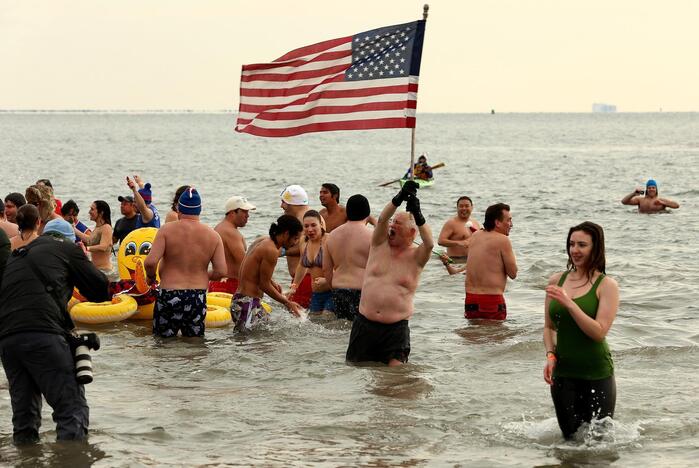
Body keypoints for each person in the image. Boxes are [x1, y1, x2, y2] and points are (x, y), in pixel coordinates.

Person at [0, 218, 109, 444]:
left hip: (8, 340)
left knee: (24, 418)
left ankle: (26, 458)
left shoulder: (19, 255)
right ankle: (70, 459)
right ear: (68, 239)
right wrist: (81, 259)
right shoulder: (67, 248)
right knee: (71, 409)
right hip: (42, 335)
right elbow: (99, 289)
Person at [543, 221, 619, 439]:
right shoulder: (557, 280)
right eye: (571, 244)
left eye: (582, 245)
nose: (575, 250)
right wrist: (550, 354)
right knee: (569, 443)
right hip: (563, 374)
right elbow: (548, 326)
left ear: (595, 248)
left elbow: (599, 332)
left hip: (597, 373)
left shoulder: (606, 286)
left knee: (599, 446)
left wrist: (570, 304)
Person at [346, 181, 433, 365]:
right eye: (393, 222)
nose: (392, 225)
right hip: (365, 325)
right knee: (356, 372)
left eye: (398, 224)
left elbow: (430, 243)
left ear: (411, 232)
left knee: (396, 380)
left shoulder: (417, 257)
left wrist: (418, 214)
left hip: (396, 330)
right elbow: (383, 219)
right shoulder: (379, 244)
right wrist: (399, 197)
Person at [145, 188, 226, 338]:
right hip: (197, 296)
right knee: (194, 344)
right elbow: (221, 271)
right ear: (199, 210)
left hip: (169, 293)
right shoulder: (213, 236)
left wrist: (150, 277)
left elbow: (150, 262)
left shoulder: (166, 230)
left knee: (163, 344)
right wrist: (203, 273)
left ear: (179, 208)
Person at [233, 215, 304, 331]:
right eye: (295, 238)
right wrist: (287, 302)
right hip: (247, 303)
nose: (295, 242)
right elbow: (263, 285)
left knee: (265, 341)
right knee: (248, 346)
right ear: (286, 234)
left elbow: (251, 268)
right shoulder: (271, 250)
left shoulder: (262, 240)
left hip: (241, 301)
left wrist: (271, 281)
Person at [464, 203, 518, 320]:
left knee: (474, 336)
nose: (511, 224)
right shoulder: (503, 240)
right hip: (491, 301)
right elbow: (513, 273)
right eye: (508, 220)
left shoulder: (475, 236)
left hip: (470, 300)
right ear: (497, 222)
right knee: (495, 337)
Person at [323, 194, 372, 321]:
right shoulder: (372, 236)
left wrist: (334, 288)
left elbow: (326, 270)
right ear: (367, 213)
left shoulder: (332, 236)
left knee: (340, 331)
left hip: (339, 290)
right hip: (361, 290)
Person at [210, 196, 256, 294]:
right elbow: (245, 263)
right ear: (232, 212)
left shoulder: (220, 227)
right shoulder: (231, 232)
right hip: (229, 285)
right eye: (244, 211)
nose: (247, 215)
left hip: (219, 284)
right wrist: (269, 282)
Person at [289, 210, 333, 315]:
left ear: (321, 224)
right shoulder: (303, 241)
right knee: (314, 324)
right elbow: (302, 265)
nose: (310, 229)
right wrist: (294, 287)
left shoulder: (330, 239)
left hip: (332, 292)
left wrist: (327, 279)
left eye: (313, 225)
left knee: (327, 318)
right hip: (316, 294)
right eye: (306, 226)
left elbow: (343, 266)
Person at [279, 185, 313, 308]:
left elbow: (310, 248)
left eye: (283, 202)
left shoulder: (304, 220)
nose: (281, 206)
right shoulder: (309, 217)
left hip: (305, 279)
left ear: (292, 203)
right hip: (302, 280)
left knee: (297, 315)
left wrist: (282, 251)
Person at [74, 201, 114, 274]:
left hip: (105, 272)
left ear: (101, 213)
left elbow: (103, 247)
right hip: (97, 271)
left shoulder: (106, 227)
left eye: (92, 209)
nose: (89, 212)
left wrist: (86, 249)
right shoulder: (97, 227)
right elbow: (89, 240)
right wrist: (74, 229)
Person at [438, 196, 481, 263]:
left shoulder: (475, 223)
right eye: (461, 206)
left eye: (467, 206)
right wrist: (458, 243)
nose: (464, 208)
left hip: (471, 260)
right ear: (457, 208)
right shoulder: (451, 223)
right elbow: (440, 241)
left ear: (472, 207)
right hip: (455, 261)